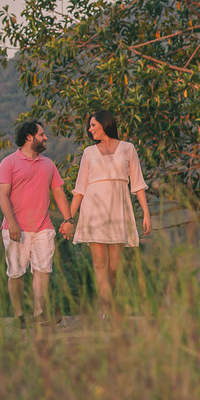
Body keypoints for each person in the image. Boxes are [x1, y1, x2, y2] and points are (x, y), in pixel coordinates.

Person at [61, 109, 151, 320]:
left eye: (93, 125)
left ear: (105, 124)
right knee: (100, 263)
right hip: (93, 210)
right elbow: (80, 189)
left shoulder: (128, 149)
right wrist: (69, 219)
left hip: (118, 210)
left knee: (114, 268)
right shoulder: (88, 153)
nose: (90, 129)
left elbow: (138, 184)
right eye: (90, 126)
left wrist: (146, 213)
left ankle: (113, 302)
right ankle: (106, 310)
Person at [0, 120, 73, 327]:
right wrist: (12, 223)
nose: (45, 137)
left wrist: (68, 220)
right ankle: (19, 315)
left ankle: (40, 313)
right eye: (42, 134)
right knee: (16, 273)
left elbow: (58, 192)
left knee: (43, 269)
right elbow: (3, 196)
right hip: (16, 228)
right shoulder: (9, 163)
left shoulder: (48, 164)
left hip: (43, 226)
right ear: (29, 137)